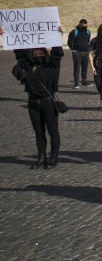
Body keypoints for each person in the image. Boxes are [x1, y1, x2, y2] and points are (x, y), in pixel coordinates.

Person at [6, 25, 65, 169]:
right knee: (39, 133)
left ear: (45, 54)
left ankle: (54, 158)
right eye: (35, 54)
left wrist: (58, 35)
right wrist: (6, 34)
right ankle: (41, 157)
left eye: (41, 54)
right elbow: (19, 52)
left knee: (52, 131)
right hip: (32, 103)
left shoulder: (52, 65)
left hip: (48, 103)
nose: (38, 56)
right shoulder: (27, 66)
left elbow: (57, 53)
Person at [67, 19, 91, 89]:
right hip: (77, 53)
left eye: (86, 26)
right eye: (83, 26)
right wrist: (73, 50)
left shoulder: (88, 32)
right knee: (77, 68)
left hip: (86, 52)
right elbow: (69, 42)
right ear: (79, 24)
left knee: (85, 68)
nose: (84, 27)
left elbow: (88, 41)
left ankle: (84, 81)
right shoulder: (74, 32)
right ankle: (76, 83)